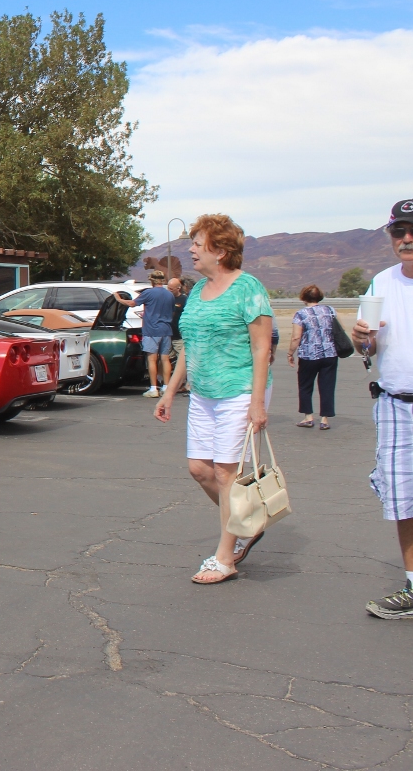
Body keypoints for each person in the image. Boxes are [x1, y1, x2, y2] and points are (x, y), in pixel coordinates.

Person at [155, 214, 274, 585]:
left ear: (220, 250)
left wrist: (257, 402)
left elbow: (262, 348)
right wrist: (169, 391)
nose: (191, 250)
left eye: (197, 243)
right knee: (200, 470)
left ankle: (225, 557)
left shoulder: (247, 287)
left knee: (226, 473)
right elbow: (190, 347)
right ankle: (246, 520)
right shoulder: (197, 292)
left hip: (239, 390)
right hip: (203, 393)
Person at [355, 199, 413, 619]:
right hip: (395, 403)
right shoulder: (381, 282)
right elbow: (368, 345)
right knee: (402, 496)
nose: (407, 238)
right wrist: (363, 339)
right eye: (399, 231)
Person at [288, 284, 337, 430]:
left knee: (305, 385)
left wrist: (290, 353)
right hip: (329, 353)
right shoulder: (330, 310)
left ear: (304, 297)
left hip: (309, 355)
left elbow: (296, 337)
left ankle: (308, 416)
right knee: (327, 386)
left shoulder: (301, 314)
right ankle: (325, 419)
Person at [119, 270, 175, 397]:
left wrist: (118, 299)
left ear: (152, 280)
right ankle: (166, 386)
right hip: (166, 329)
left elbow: (132, 303)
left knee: (152, 359)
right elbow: (172, 312)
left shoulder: (148, 293)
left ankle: (153, 388)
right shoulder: (170, 295)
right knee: (165, 359)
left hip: (152, 330)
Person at [168, 277, 190, 394]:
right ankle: (166, 383)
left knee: (183, 360)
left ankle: (185, 384)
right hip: (168, 334)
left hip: (179, 335)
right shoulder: (167, 298)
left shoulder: (184, 300)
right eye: (168, 288)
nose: (169, 290)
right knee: (166, 358)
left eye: (171, 289)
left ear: (178, 288)